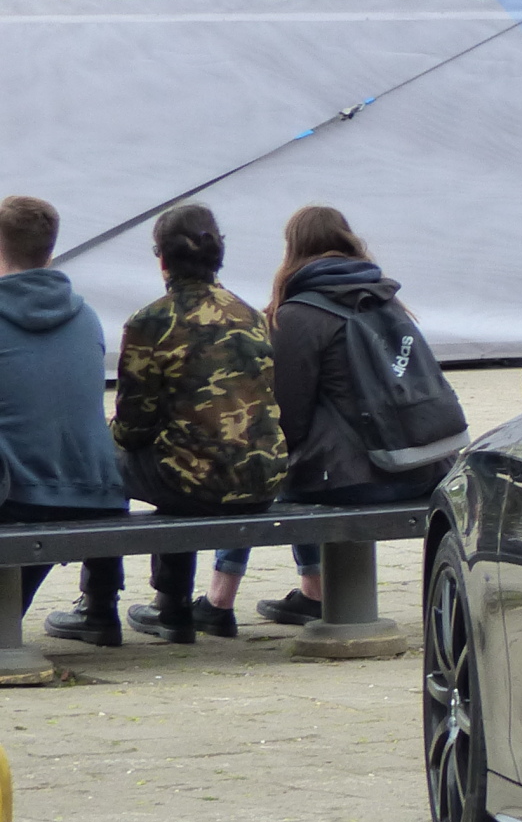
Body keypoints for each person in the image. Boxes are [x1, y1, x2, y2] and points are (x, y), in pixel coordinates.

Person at [207, 206, 459, 628]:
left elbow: (287, 422)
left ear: (293, 250)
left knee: (265, 468)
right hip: (423, 469)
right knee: (306, 462)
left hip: (360, 482)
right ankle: (310, 591)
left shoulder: (298, 314)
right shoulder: (387, 299)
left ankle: (220, 600)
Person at [91, 204, 286, 645]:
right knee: (183, 449)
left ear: (161, 257)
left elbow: (133, 428)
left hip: (197, 485)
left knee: (104, 457)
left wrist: (109, 435)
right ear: (219, 253)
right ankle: (171, 607)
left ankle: (102, 605)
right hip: (263, 478)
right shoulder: (252, 316)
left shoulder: (150, 322)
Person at [0, 196, 129, 641]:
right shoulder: (86, 316)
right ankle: (101, 606)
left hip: (19, 494)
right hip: (95, 490)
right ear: (50, 250)